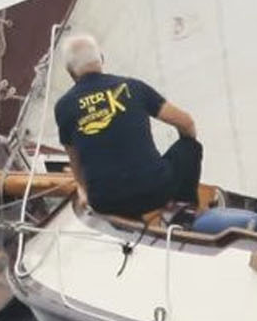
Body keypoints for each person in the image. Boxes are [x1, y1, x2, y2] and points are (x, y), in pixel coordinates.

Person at [51, 31, 201, 220]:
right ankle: (182, 210)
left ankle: (130, 218)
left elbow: (75, 160)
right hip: (156, 192)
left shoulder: (63, 107)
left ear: (70, 71)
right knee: (190, 147)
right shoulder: (134, 87)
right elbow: (186, 123)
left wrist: (83, 191)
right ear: (101, 59)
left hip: (105, 202)